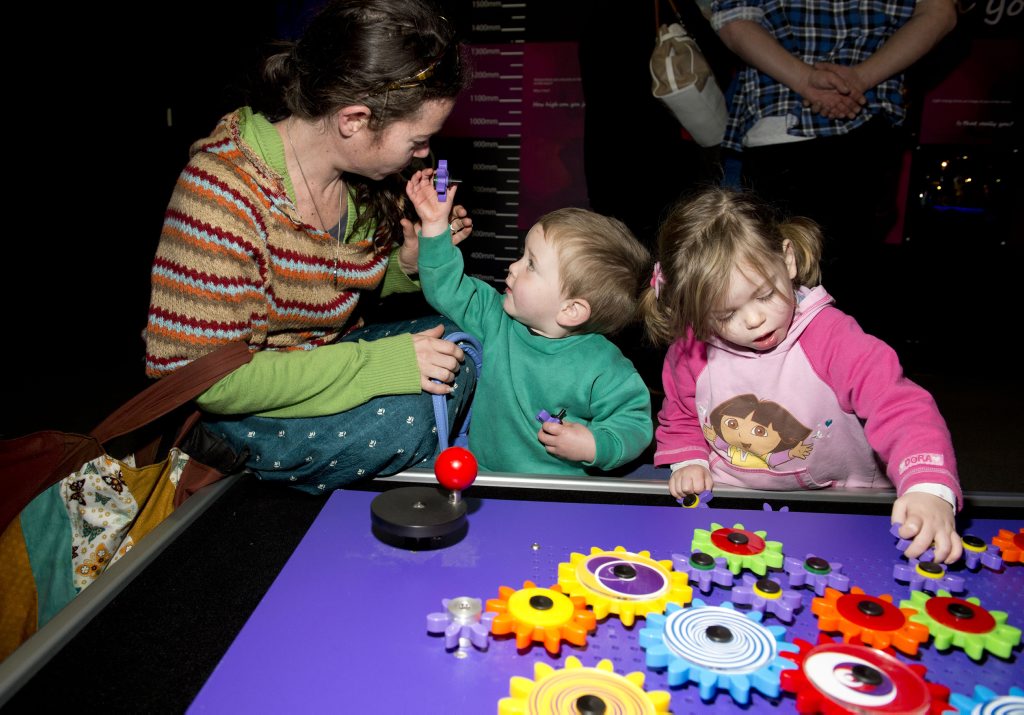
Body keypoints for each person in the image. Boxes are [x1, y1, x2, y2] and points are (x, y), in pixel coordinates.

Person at [144, 0, 480, 493]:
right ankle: (234, 485)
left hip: (323, 361)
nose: (425, 152)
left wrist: (403, 263)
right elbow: (205, 380)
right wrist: (386, 365)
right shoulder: (221, 194)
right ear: (354, 120)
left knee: (471, 337)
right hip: (235, 406)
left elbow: (327, 280)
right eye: (418, 140)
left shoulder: (362, 180)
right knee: (407, 417)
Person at [641, 186, 963, 562]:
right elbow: (681, 414)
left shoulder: (832, 338)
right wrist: (690, 460)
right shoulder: (691, 351)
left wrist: (927, 487)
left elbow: (900, 406)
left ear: (788, 260)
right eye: (725, 314)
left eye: (764, 294)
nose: (754, 319)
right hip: (732, 501)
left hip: (844, 503)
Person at [710, 0, 958, 337]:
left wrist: (809, 79)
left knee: (779, 280)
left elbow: (734, 22)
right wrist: (858, 79)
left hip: (787, 117)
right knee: (843, 281)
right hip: (865, 115)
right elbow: (938, 12)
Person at [405, 169, 654, 475]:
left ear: (571, 310)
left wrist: (594, 445)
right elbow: (445, 285)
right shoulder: (493, 316)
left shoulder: (603, 366)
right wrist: (433, 226)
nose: (513, 266)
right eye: (522, 256)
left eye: (531, 265)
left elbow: (635, 422)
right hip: (483, 478)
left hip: (557, 496)